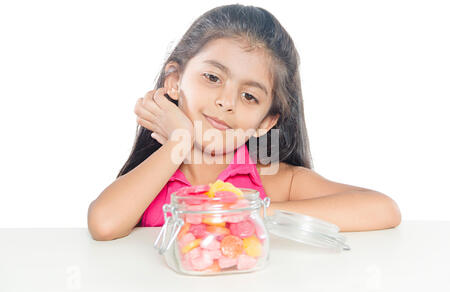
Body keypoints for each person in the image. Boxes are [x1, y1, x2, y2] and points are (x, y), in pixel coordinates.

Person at [88, 4, 401, 241]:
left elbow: (383, 209)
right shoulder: (151, 182)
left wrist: (241, 212)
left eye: (250, 96)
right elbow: (103, 224)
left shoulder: (277, 182)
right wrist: (178, 142)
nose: (227, 101)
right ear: (174, 81)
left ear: (266, 121)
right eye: (212, 77)